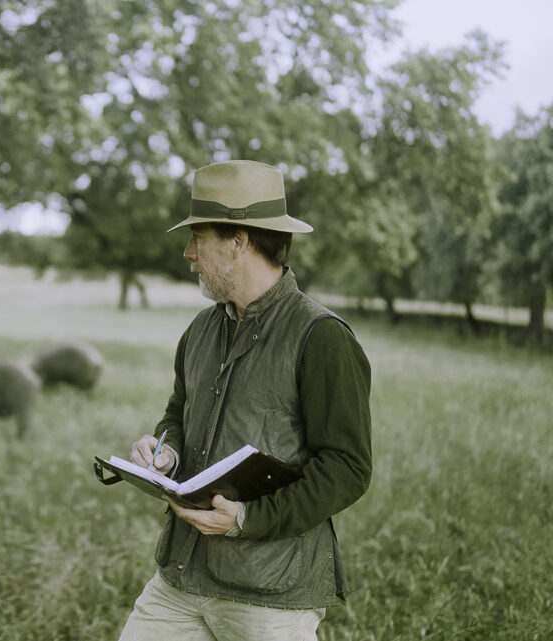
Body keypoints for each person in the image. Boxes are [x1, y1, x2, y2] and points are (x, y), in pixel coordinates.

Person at [117, 160, 372, 641]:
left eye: (199, 237)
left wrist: (248, 520)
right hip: (179, 578)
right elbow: (178, 412)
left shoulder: (323, 339)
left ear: (238, 240)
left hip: (271, 593)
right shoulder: (199, 330)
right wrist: (166, 451)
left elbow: (348, 467)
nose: (188, 253)